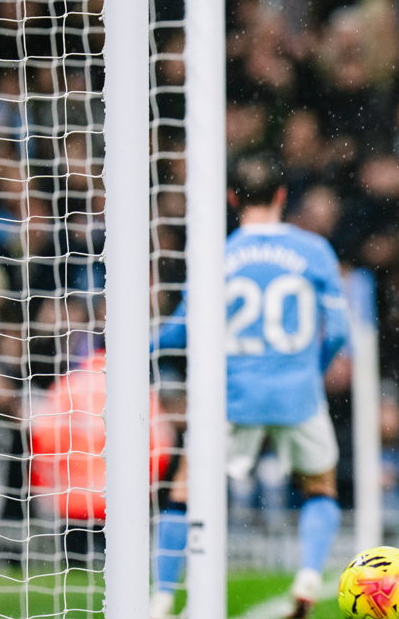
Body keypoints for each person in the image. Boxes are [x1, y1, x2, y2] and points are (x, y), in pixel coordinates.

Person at [148, 154, 350, 619]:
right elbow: (338, 328)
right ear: (282, 197)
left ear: (232, 198)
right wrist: (310, 368)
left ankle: (161, 597)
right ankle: (306, 576)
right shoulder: (314, 250)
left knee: (184, 489)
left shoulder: (216, 255)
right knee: (320, 486)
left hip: (232, 395)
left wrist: (138, 344)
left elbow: (180, 331)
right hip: (297, 393)